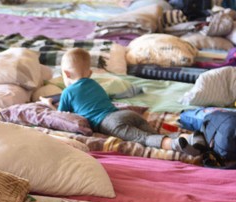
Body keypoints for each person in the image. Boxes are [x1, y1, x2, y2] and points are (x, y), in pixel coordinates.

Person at [51, 48, 206, 155]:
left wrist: (48, 105)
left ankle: (175, 146)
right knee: (154, 135)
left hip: (109, 122)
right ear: (90, 73)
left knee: (144, 139)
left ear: (66, 73)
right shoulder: (95, 83)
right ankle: (190, 139)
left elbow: (61, 115)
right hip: (125, 114)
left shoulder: (67, 92)